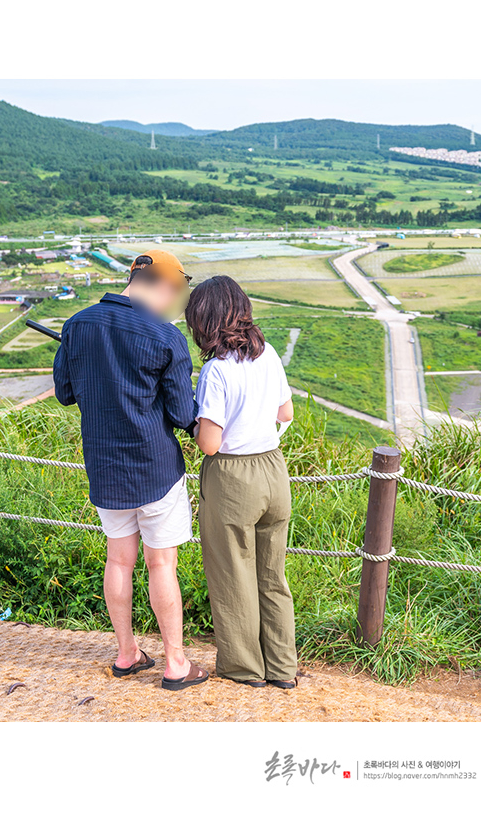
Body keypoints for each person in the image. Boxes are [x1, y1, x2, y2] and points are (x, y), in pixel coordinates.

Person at [53, 249, 209, 691]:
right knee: (161, 564)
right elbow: (182, 413)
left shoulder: (77, 325)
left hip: (104, 468)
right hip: (156, 469)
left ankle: (126, 654)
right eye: (176, 291)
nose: (173, 301)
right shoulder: (164, 336)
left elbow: (66, 393)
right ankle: (176, 664)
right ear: (162, 283)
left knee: (118, 560)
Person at [186, 275, 298, 689]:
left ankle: (244, 669)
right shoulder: (267, 355)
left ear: (204, 321)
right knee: (273, 578)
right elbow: (285, 413)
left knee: (233, 576)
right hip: (273, 470)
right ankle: (283, 669)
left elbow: (210, 445)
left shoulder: (216, 370)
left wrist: (195, 421)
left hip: (233, 477)